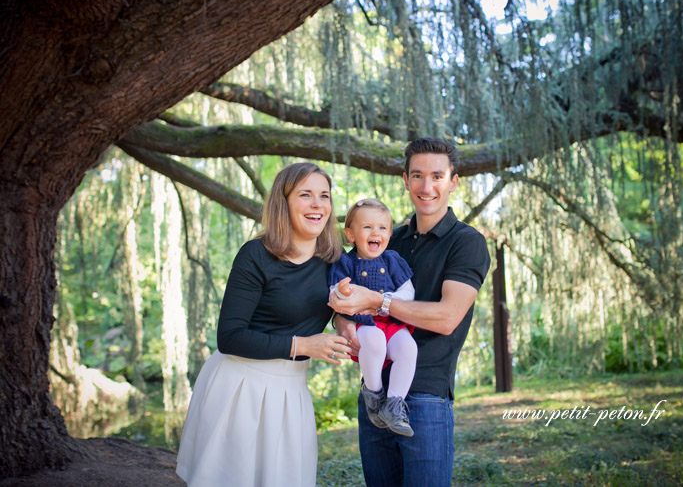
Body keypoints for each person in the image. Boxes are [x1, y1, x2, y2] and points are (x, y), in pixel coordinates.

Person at [176, 162, 353, 487]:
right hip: (241, 387)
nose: (318, 205)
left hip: (292, 391)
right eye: (306, 195)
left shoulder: (336, 259)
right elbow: (230, 337)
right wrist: (303, 345)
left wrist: (347, 324)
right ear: (283, 202)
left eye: (324, 196)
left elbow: (344, 302)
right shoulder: (255, 255)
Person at [330, 138, 491, 487]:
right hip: (373, 394)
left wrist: (376, 302)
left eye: (437, 176)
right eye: (417, 175)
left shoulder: (467, 242)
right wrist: (344, 322)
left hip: (426, 398)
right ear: (405, 180)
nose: (426, 186)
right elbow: (344, 293)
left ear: (453, 182)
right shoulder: (388, 238)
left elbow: (448, 317)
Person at [329, 198, 417, 437]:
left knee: (408, 349)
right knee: (375, 341)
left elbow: (408, 292)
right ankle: (374, 393)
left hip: (390, 318)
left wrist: (384, 302)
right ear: (351, 234)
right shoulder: (345, 262)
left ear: (389, 234)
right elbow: (334, 292)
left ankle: (394, 404)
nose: (375, 232)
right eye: (367, 227)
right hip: (363, 322)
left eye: (382, 228)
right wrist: (342, 292)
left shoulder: (392, 260)